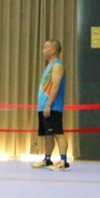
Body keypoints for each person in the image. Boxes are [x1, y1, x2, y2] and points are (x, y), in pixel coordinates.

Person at [32, 40, 69, 171]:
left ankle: (64, 161)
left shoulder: (57, 66)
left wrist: (48, 105)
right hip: (44, 107)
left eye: (45, 48)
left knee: (58, 133)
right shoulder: (49, 66)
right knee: (48, 135)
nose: (43, 50)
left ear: (53, 50)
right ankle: (47, 159)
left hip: (53, 106)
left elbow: (56, 86)